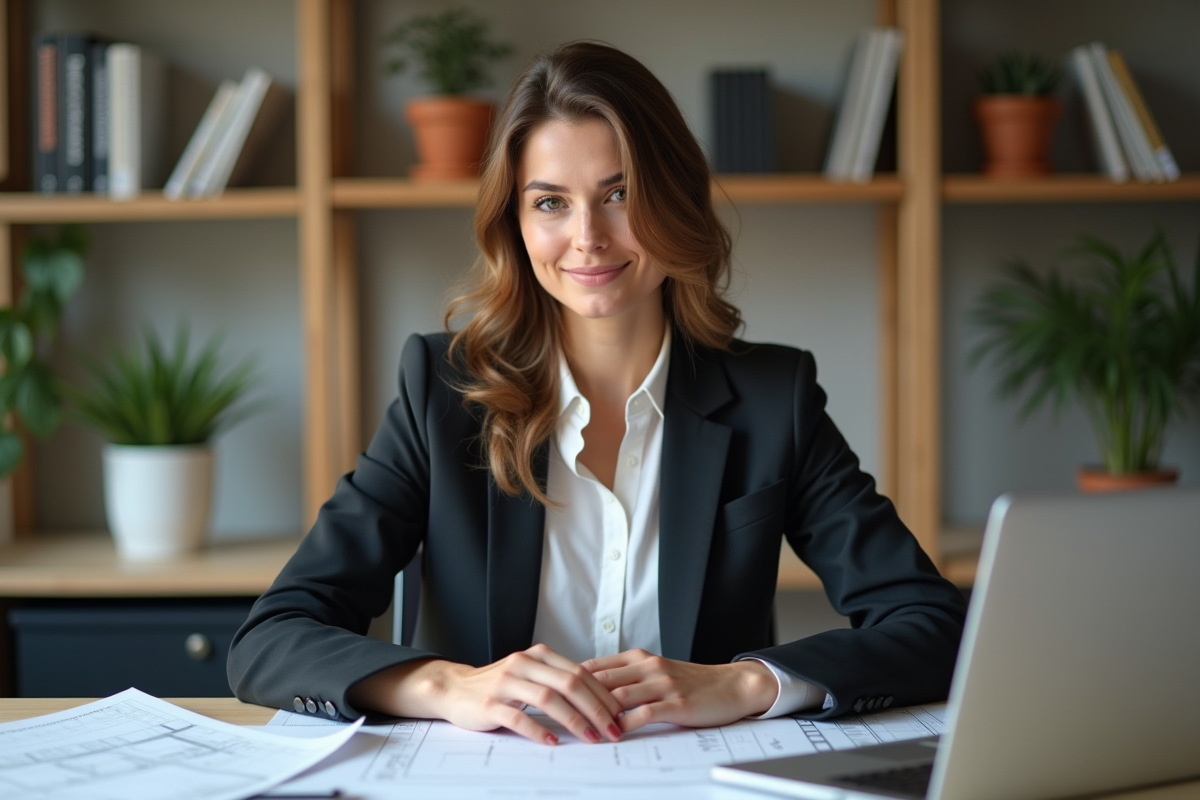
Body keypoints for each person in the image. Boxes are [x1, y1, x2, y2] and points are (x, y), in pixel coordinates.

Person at [228, 41, 966, 748]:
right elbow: (271, 639)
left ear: (675, 199)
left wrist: (744, 685)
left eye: (620, 194)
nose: (588, 237)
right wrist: (451, 687)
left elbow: (931, 623)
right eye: (550, 203)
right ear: (514, 224)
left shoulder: (775, 398)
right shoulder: (444, 391)